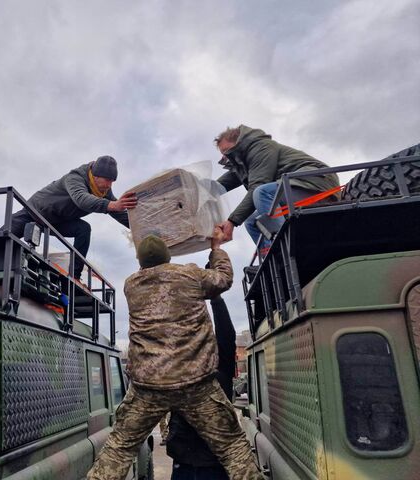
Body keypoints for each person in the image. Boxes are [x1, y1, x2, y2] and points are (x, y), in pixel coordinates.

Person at [86, 232, 262, 480]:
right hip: (196, 385)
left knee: (118, 449)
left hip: (149, 387)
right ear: (168, 257)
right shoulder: (190, 274)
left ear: (140, 262)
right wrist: (216, 248)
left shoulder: (131, 284)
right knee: (233, 449)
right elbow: (223, 279)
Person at [9, 156, 137, 278]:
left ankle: (75, 275)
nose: (109, 185)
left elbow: (119, 213)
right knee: (0, 238)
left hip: (57, 221)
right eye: (107, 180)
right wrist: (112, 205)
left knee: (83, 229)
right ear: (95, 175)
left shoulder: (104, 191)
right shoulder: (75, 178)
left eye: (112, 181)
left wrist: (140, 227)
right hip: (34, 212)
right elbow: (81, 199)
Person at [215, 125, 340, 250]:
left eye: (227, 152)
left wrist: (232, 221)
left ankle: (285, 247)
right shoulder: (245, 163)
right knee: (251, 221)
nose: (226, 158)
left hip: (317, 184)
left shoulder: (261, 148)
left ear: (239, 143)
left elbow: (257, 185)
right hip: (296, 187)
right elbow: (219, 185)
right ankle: (270, 255)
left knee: (262, 193)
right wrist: (199, 190)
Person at [166, 295, 237, 480]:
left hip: (216, 464)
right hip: (183, 463)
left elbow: (226, 335)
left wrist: (216, 298)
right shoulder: (179, 369)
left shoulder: (221, 369)